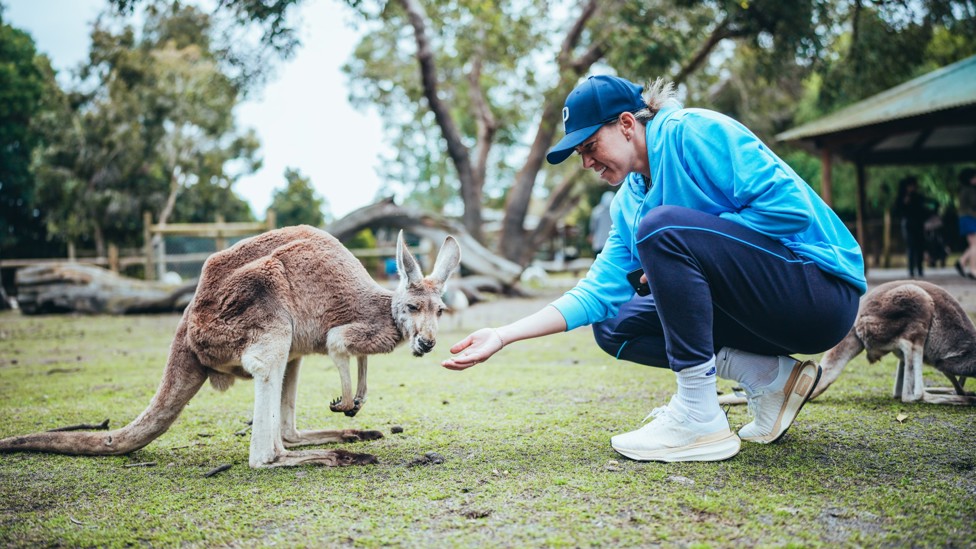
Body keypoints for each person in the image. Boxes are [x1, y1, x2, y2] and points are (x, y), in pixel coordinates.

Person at [442, 74, 865, 463]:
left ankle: (699, 416)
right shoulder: (629, 202)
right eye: (579, 154)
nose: (586, 162)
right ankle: (771, 378)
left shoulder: (694, 132)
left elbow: (789, 211)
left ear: (627, 123)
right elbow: (595, 294)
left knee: (662, 228)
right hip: (764, 316)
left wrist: (692, 246)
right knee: (615, 324)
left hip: (819, 294)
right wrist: (501, 335)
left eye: (590, 146)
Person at [893, 176, 933, 278]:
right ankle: (911, 270)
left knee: (920, 247)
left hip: (919, 224)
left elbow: (927, 207)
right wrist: (904, 203)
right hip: (908, 224)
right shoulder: (902, 198)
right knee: (911, 247)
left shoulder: (919, 197)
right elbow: (897, 212)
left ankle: (920, 269)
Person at [956, 167, 976, 279]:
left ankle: (962, 261)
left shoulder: (963, 189)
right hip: (969, 218)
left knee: (974, 244)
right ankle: (973, 270)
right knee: (974, 245)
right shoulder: (969, 190)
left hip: (967, 218)